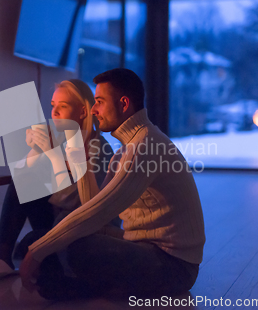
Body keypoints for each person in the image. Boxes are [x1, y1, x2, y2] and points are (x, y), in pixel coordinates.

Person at [19, 68, 206, 300]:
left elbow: (97, 213)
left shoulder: (144, 147)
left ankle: (83, 289)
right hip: (144, 245)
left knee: (77, 248)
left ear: (124, 103)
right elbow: (94, 208)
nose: (94, 109)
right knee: (43, 239)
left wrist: (36, 253)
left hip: (175, 266)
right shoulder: (128, 148)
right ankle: (76, 284)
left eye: (99, 101)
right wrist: (80, 159)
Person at [0, 79, 115, 280]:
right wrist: (34, 152)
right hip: (58, 221)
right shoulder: (61, 141)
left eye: (63, 106)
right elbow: (21, 182)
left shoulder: (98, 149)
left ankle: (27, 251)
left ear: (82, 112)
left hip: (82, 229)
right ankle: (1, 256)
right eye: (53, 106)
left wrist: (52, 157)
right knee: (24, 177)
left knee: (31, 242)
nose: (55, 113)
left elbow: (76, 203)